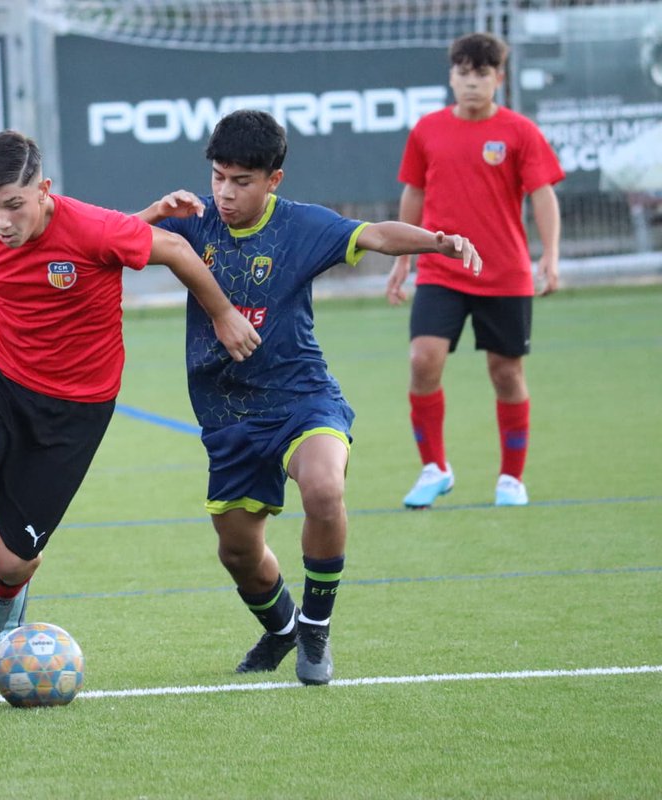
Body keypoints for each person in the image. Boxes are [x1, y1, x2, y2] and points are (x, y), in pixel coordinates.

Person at [0, 129, 260, 709]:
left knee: (8, 557)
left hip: (75, 411)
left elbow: (172, 250)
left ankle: (5, 604)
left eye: (14, 205)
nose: (0, 222)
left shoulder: (96, 227)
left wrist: (222, 314)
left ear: (43, 190)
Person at [137, 109, 480, 685]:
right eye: (219, 176)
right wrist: (150, 215)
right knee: (239, 554)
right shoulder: (192, 222)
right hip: (227, 412)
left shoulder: (300, 225)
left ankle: (315, 632)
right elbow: (102, 246)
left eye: (241, 181)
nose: (224, 192)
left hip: (302, 394)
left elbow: (375, 235)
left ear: (274, 179)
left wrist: (436, 242)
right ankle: (281, 629)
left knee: (324, 487)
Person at [386, 32, 564, 509]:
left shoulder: (519, 132)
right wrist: (404, 258)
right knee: (423, 360)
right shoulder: (427, 130)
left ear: (498, 79)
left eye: (482, 74)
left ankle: (511, 479)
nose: (471, 83)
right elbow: (414, 195)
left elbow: (543, 194)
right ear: (451, 77)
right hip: (443, 270)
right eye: (463, 73)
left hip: (505, 274)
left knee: (505, 373)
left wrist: (549, 255)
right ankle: (434, 468)